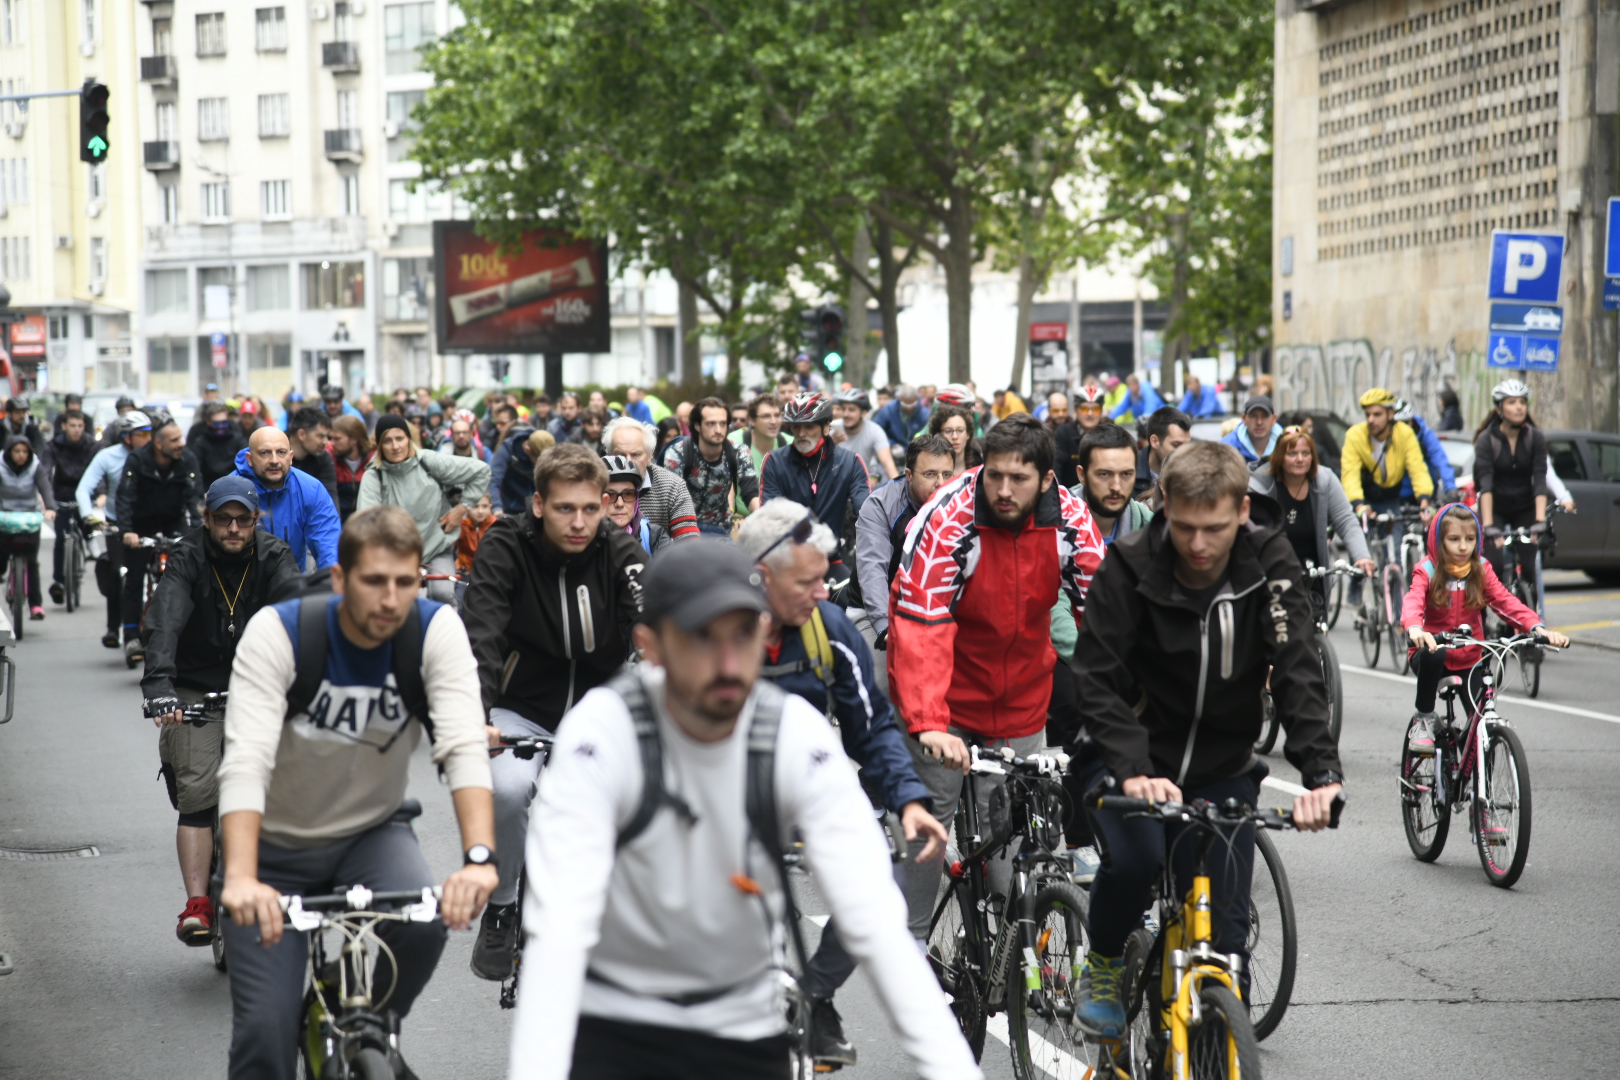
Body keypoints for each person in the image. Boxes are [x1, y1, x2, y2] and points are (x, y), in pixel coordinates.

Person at [508, 538, 980, 1080]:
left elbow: (874, 920)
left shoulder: (791, 732)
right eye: (702, 638)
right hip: (618, 1023)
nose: (729, 663)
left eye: (743, 634)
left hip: (746, 1025)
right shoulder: (604, 732)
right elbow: (560, 929)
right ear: (651, 646)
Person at [1070, 440, 1344, 1038]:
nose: (1198, 545)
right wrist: (1133, 766)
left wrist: (1322, 773)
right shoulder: (1132, 563)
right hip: (1127, 760)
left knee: (1225, 943)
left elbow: (1297, 666)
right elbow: (1095, 675)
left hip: (1221, 765)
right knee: (1139, 860)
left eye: (1214, 528)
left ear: (1243, 510)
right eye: (1186, 527)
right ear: (1164, 502)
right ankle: (1105, 963)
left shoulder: (1269, 563)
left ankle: (1219, 1036)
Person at [216, 505, 497, 1080]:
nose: (390, 599)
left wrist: (478, 860)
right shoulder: (281, 632)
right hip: (272, 854)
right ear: (341, 579)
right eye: (373, 581)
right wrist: (241, 877)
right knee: (264, 1043)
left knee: (426, 917)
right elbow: (245, 761)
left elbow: (464, 746)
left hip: (371, 833)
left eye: (404, 582)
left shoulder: (433, 630)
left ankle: (374, 1031)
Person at [736, 501, 948, 1070]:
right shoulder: (711, 629)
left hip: (810, 782)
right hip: (724, 788)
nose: (824, 592)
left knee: (880, 881)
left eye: (825, 577)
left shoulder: (826, 628)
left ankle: (817, 995)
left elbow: (873, 727)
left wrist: (909, 801)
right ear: (761, 575)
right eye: (807, 581)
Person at [888, 414, 1103, 935]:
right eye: (995, 475)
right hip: (945, 697)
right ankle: (908, 942)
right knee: (928, 824)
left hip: (1022, 696)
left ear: (1048, 480)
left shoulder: (1071, 521)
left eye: (1020, 479)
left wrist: (1126, 708)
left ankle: (1019, 946)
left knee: (1012, 832)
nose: (1003, 490)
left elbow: (1104, 617)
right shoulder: (950, 517)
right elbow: (920, 623)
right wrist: (929, 721)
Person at [460, 444, 645, 981]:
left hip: (601, 708)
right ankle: (501, 909)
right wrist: (476, 716)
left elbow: (651, 622)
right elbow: (483, 634)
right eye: (566, 508)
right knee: (511, 789)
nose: (581, 521)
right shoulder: (505, 545)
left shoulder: (619, 549)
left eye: (592, 507)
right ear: (539, 504)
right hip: (522, 709)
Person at [140, 476, 302, 944]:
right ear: (207, 518)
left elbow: (295, 615)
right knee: (196, 793)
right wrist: (160, 688)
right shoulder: (187, 556)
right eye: (223, 518)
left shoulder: (274, 556)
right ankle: (198, 903)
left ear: (256, 520)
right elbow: (164, 621)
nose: (233, 527)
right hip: (193, 687)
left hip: (259, 685)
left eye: (243, 519)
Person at [1402, 503, 1569, 753]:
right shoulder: (1426, 570)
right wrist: (1416, 629)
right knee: (1435, 653)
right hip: (1432, 653)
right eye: (1454, 539)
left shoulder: (1480, 569)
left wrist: (1537, 628)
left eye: (1469, 539)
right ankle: (1424, 719)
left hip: (1470, 658)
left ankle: (1478, 785)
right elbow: (1413, 601)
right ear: (1439, 540)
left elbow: (1505, 602)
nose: (1462, 547)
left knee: (1482, 737)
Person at [356, 414, 491, 604]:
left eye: (400, 438)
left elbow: (482, 471)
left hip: (436, 547)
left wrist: (462, 508)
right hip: (394, 553)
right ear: (379, 445)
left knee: (443, 594)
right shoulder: (374, 475)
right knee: (398, 600)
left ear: (408, 439)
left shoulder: (428, 461)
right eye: (387, 441)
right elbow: (366, 520)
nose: (395, 446)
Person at [853, 434, 956, 677]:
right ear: (909, 475)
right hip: (877, 610)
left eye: (947, 475)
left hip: (935, 609)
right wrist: (884, 626)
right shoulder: (879, 505)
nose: (940, 483)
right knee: (885, 686)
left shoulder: (960, 504)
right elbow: (872, 569)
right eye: (930, 474)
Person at [118, 419, 204, 662]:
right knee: (134, 577)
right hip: (139, 525)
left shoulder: (187, 460)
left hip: (172, 522)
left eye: (181, 438)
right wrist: (126, 531)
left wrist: (198, 532)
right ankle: (132, 636)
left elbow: (195, 499)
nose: (181, 444)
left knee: (187, 574)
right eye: (175, 440)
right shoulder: (136, 460)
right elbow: (125, 497)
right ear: (158, 444)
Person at [1248, 427, 1376, 588]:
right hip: (1273, 574)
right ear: (1280, 457)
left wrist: (1362, 556)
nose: (1300, 459)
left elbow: (1345, 520)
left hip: (1314, 573)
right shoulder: (1261, 485)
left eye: (1306, 453)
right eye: (1292, 454)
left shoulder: (1325, 480)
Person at [760, 393, 870, 563]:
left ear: (826, 427)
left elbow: (866, 513)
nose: (802, 433)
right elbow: (769, 515)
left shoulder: (850, 462)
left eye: (809, 426)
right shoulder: (774, 461)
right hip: (789, 560)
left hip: (831, 558)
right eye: (796, 427)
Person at [78, 411, 153, 647]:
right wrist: (88, 515)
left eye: (150, 433)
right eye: (142, 435)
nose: (148, 439)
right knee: (117, 571)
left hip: (149, 524)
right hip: (117, 524)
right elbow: (84, 489)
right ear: (126, 438)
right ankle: (113, 628)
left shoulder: (156, 456)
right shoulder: (107, 457)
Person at [1472, 379, 1549, 598]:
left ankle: (1532, 622)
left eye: (1523, 402)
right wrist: (1487, 526)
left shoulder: (1535, 438)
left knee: (1529, 568)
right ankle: (1489, 616)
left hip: (1524, 507)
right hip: (1494, 508)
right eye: (1512, 402)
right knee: (1493, 565)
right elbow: (1485, 485)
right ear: (1499, 409)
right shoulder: (1487, 440)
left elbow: (1540, 479)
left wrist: (1540, 521)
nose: (1519, 407)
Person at [233, 428, 342, 574]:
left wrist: (332, 584)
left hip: (292, 583)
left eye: (281, 452)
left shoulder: (311, 489)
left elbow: (329, 545)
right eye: (265, 453)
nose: (274, 460)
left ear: (291, 457)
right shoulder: (230, 491)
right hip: (240, 585)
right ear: (250, 459)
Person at [659, 397, 761, 534]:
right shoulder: (678, 453)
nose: (718, 430)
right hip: (684, 526)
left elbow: (750, 491)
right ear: (697, 426)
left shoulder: (739, 451)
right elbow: (670, 500)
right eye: (711, 424)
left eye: (723, 424)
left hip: (721, 527)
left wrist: (763, 518)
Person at [603, 416, 700, 540]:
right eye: (620, 455)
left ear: (649, 457)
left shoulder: (672, 486)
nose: (628, 462)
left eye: (636, 455)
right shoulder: (597, 485)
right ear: (609, 456)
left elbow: (689, 542)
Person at [0, 435, 56, 620]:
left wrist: (50, 508)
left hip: (29, 518)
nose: (21, 455)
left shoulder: (35, 466)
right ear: (9, 453)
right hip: (4, 518)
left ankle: (36, 605)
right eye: (17, 451)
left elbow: (45, 487)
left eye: (25, 451)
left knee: (31, 562)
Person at [44, 409, 96, 606]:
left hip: (85, 492)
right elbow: (46, 470)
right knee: (60, 537)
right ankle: (59, 580)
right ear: (64, 426)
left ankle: (91, 544)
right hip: (62, 495)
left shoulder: (92, 445)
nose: (76, 430)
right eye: (72, 426)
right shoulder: (53, 445)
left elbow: (98, 470)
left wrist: (100, 494)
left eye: (80, 426)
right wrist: (47, 498)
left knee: (88, 525)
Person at [1074, 422, 1154, 545]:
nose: (1116, 487)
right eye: (1104, 474)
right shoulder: (1053, 527)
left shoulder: (1151, 528)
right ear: (1082, 475)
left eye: (1126, 474)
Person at [727, 394, 790, 518]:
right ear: (752, 420)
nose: (773, 421)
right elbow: (727, 485)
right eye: (766, 416)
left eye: (777, 415)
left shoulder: (789, 444)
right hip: (741, 519)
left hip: (780, 520)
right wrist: (731, 518)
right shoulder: (735, 441)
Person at [602, 454, 672, 555]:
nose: (620, 504)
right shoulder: (582, 539)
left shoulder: (655, 536)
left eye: (628, 494)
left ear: (637, 500)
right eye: (610, 495)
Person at [1394, 398, 1457, 499]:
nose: (1401, 429)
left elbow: (1440, 460)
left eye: (1404, 423)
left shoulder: (1425, 436)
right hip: (1395, 497)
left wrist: (1450, 488)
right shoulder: (1388, 438)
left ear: (1410, 422)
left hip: (1425, 494)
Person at [833, 389, 898, 484]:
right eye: (843, 409)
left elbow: (888, 464)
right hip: (834, 484)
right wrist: (830, 444)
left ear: (864, 413)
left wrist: (900, 490)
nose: (846, 414)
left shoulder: (874, 431)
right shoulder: (832, 429)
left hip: (860, 485)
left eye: (851, 410)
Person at [1053, 384, 1109, 489]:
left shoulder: (1111, 434)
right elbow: (1056, 470)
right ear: (1075, 411)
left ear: (1101, 412)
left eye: (1095, 409)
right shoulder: (1063, 433)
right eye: (1084, 409)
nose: (1090, 413)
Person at [1136, 405, 1193, 504]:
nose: (1183, 452)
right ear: (1155, 441)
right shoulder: (1128, 472)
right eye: (1176, 445)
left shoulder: (1195, 474)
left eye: (1186, 445)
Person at [286, 406, 339, 508]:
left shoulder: (324, 459)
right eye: (320, 436)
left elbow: (330, 502)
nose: (326, 443)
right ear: (302, 434)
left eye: (327, 437)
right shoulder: (274, 454)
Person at [192, 402, 250, 489]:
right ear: (208, 422)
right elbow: (196, 469)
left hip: (235, 486)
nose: (221, 427)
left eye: (224, 422)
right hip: (209, 488)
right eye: (217, 423)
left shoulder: (238, 440)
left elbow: (245, 466)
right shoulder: (200, 443)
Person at [328, 415, 372, 523]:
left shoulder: (372, 460)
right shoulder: (328, 458)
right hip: (337, 525)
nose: (332, 443)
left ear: (354, 439)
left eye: (337, 439)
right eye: (331, 438)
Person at [872, 384, 930, 457]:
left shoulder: (924, 414)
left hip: (916, 452)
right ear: (900, 399)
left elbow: (929, 435)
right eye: (905, 404)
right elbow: (876, 430)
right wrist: (892, 444)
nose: (909, 408)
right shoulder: (889, 409)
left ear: (916, 399)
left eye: (912, 405)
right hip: (892, 451)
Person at [1221, 394, 1281, 464]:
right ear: (1244, 419)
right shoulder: (1227, 447)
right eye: (1253, 416)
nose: (1259, 422)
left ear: (1274, 419)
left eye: (1265, 416)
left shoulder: (1286, 446)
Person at [925, 402, 978, 476]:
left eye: (960, 430)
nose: (955, 436)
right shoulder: (928, 467)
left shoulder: (980, 468)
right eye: (948, 431)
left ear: (968, 434)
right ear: (938, 434)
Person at [454, 491, 496, 577]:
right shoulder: (460, 525)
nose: (480, 511)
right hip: (464, 572)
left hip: (490, 573)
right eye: (475, 506)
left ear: (490, 507)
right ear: (466, 508)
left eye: (484, 506)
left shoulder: (496, 525)